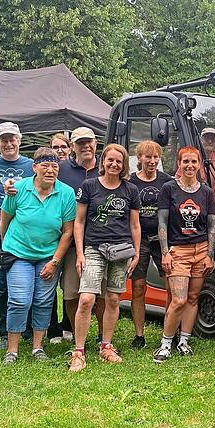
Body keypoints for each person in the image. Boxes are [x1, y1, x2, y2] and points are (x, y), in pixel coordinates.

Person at [0, 147, 75, 364]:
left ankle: (37, 347)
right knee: (20, 300)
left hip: (48, 255)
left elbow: (67, 231)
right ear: (34, 168)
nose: (50, 170)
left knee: (43, 300)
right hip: (18, 253)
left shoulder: (66, 193)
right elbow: (5, 218)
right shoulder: (18, 189)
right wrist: (6, 246)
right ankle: (12, 350)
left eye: (54, 166)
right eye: (45, 166)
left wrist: (55, 261)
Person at [68, 144, 140, 371]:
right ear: (103, 161)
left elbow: (135, 224)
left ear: (124, 165)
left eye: (119, 161)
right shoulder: (89, 186)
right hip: (94, 248)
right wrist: (80, 253)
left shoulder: (130, 190)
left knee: (113, 299)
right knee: (87, 299)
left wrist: (136, 253)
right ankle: (78, 351)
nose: (114, 164)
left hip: (121, 250)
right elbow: (78, 222)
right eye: (110, 160)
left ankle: (106, 346)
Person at [153, 146, 215, 363]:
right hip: (177, 250)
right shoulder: (169, 188)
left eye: (194, 162)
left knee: (192, 298)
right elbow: (161, 221)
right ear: (179, 164)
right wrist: (165, 252)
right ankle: (165, 343)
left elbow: (211, 226)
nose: (190, 166)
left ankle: (184, 341)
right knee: (178, 299)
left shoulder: (206, 192)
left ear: (200, 165)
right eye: (185, 162)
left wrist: (210, 254)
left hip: (200, 250)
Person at [0, 122, 34, 349]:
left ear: (20, 140)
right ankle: (5, 333)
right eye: (4, 140)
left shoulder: (32, 165)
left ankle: (29, 330)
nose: (9, 143)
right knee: (2, 287)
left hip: (26, 237)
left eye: (12, 139)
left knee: (27, 285)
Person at [55, 127, 103, 344]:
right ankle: (76, 336)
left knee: (102, 294)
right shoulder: (61, 169)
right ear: (72, 146)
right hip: (72, 243)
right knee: (71, 292)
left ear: (96, 143)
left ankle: (104, 336)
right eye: (80, 143)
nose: (85, 146)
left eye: (89, 142)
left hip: (102, 241)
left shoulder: (107, 166)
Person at [128, 140, 173, 350]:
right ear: (139, 159)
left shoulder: (167, 182)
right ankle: (139, 335)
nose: (152, 161)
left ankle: (168, 332)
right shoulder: (130, 182)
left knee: (171, 287)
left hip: (162, 240)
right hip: (140, 239)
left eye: (156, 157)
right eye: (148, 157)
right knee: (138, 287)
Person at [176, 127, 215, 202]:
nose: (210, 141)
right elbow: (177, 178)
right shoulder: (192, 155)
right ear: (200, 141)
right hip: (190, 200)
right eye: (207, 138)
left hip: (210, 201)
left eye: (213, 139)